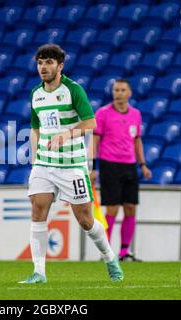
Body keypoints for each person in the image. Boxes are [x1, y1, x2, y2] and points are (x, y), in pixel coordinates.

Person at [19, 44, 123, 284]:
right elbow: (35, 127)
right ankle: (39, 272)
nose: (43, 67)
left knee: (85, 219)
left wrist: (67, 134)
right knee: (38, 209)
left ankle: (109, 257)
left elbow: (90, 123)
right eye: (40, 63)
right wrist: (35, 159)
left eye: (48, 62)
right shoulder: (36, 93)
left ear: (60, 66)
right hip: (45, 164)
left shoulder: (73, 90)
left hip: (72, 165)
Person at [90, 79, 152, 262]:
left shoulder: (136, 114)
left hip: (130, 165)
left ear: (129, 93)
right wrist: (93, 167)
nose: (119, 93)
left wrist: (143, 164)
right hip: (110, 164)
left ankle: (125, 252)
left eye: (123, 90)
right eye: (116, 90)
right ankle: (106, 252)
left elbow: (137, 140)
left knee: (131, 208)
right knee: (112, 209)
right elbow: (95, 140)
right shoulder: (102, 113)